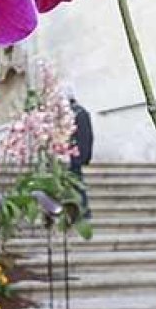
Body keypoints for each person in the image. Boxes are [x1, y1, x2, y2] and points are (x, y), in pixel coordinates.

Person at [67, 87, 94, 218]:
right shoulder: (81, 112)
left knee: (76, 182)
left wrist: (81, 155)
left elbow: (84, 136)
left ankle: (83, 210)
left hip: (74, 154)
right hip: (75, 154)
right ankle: (80, 209)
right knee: (75, 182)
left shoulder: (77, 113)